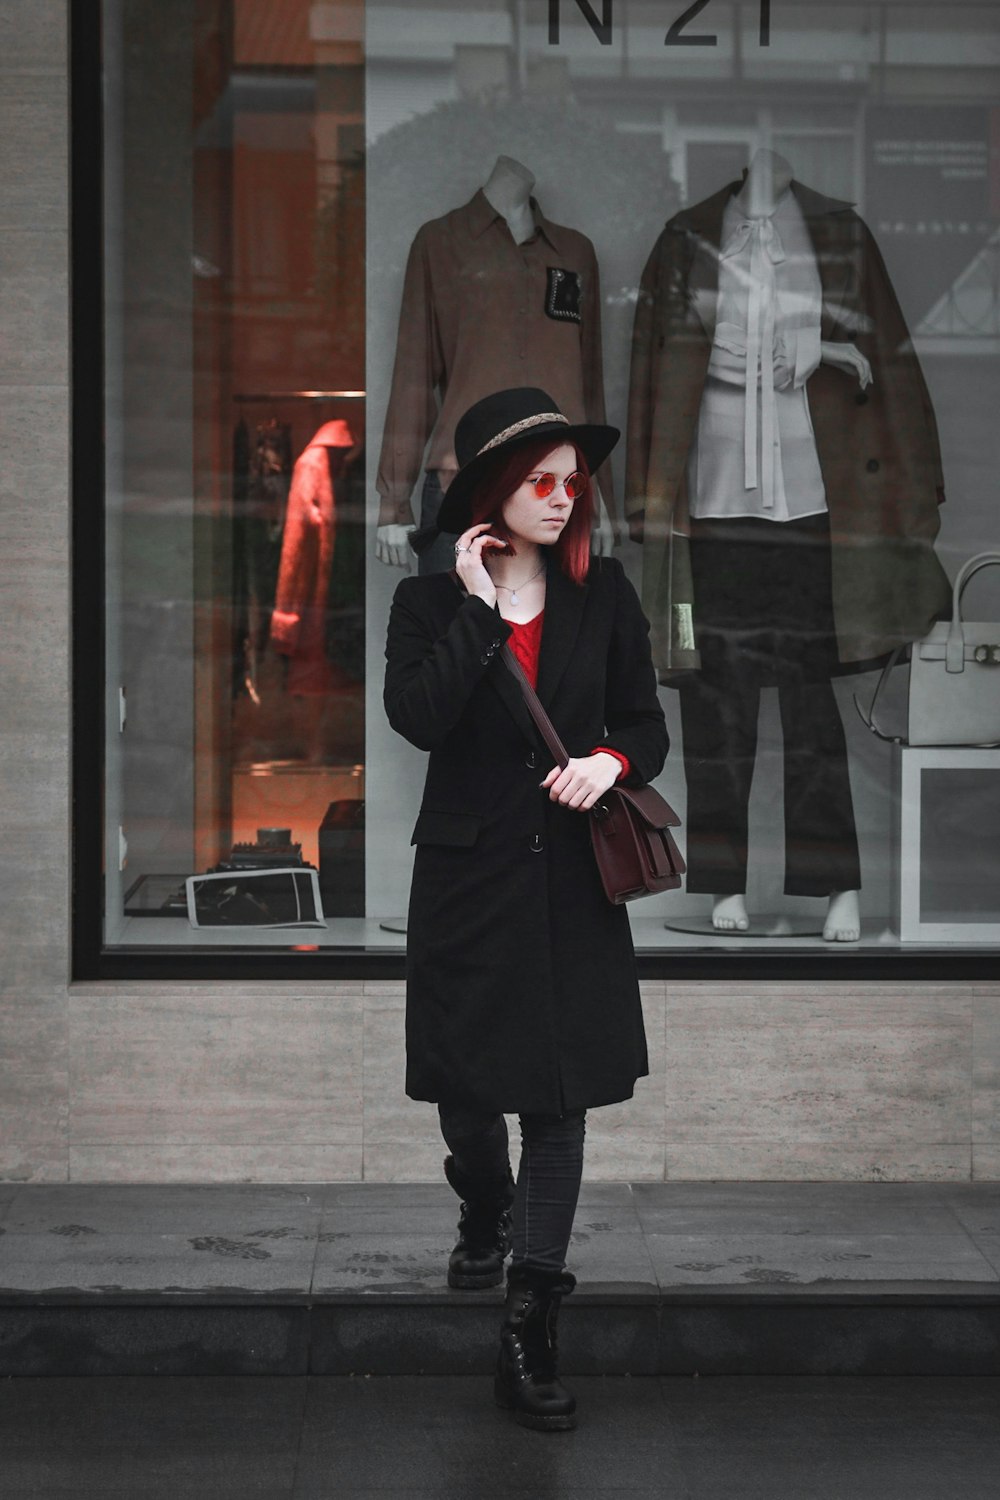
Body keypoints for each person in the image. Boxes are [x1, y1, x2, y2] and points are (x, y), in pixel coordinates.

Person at [384, 388, 668, 1431]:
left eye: (570, 482)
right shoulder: (425, 605)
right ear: (492, 495)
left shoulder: (606, 595)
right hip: (466, 881)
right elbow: (418, 718)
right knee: (467, 1090)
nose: (559, 498)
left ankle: (529, 1326)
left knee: (558, 1103)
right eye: (538, 482)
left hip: (572, 886)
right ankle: (480, 1204)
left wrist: (608, 760)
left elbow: (645, 722)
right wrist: (471, 605)